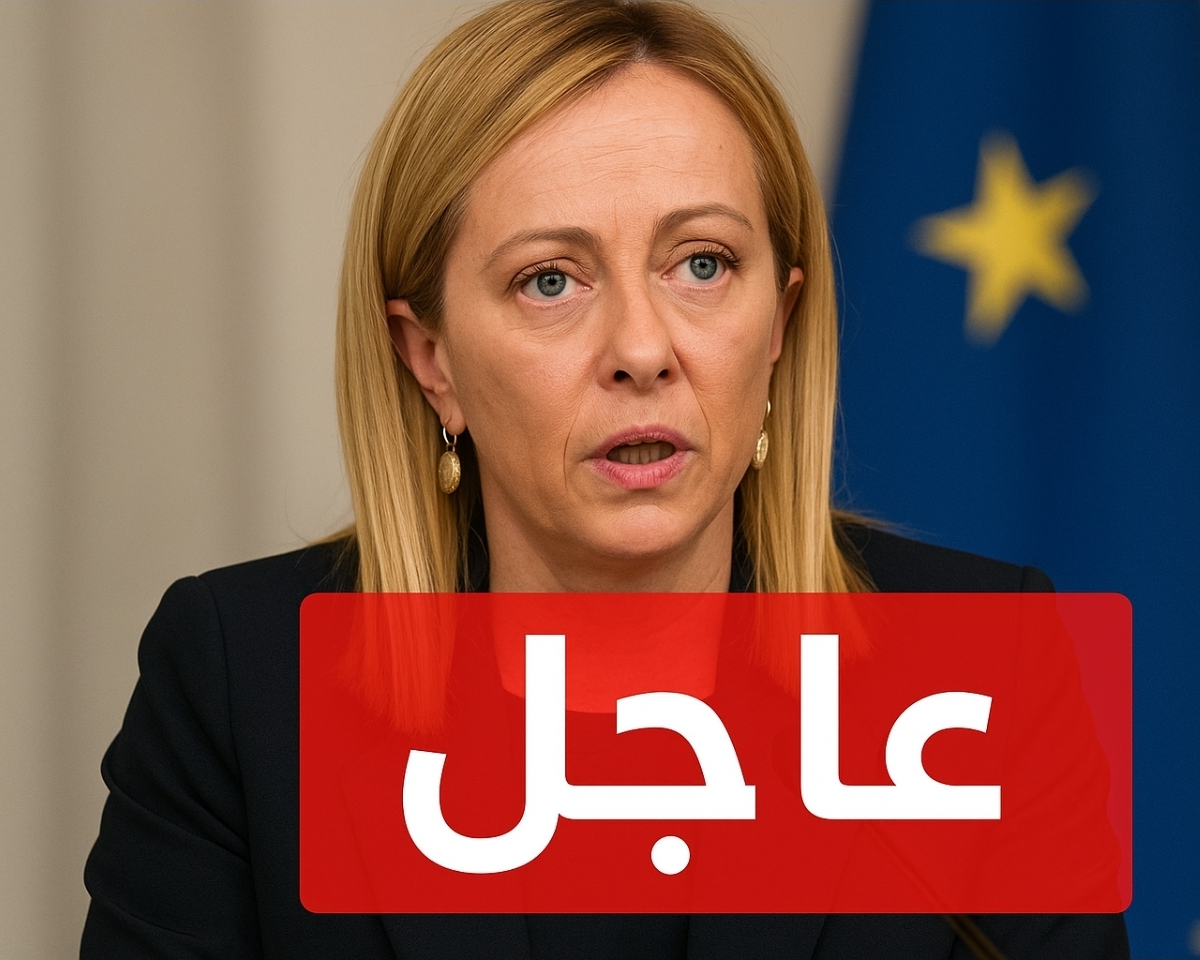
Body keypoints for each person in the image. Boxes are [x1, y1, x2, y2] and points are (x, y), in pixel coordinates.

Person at [80, 2, 1129, 957]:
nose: (641, 348)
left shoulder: (984, 670)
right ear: (430, 359)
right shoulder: (245, 685)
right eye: (550, 280)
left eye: (702, 263)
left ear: (779, 323)